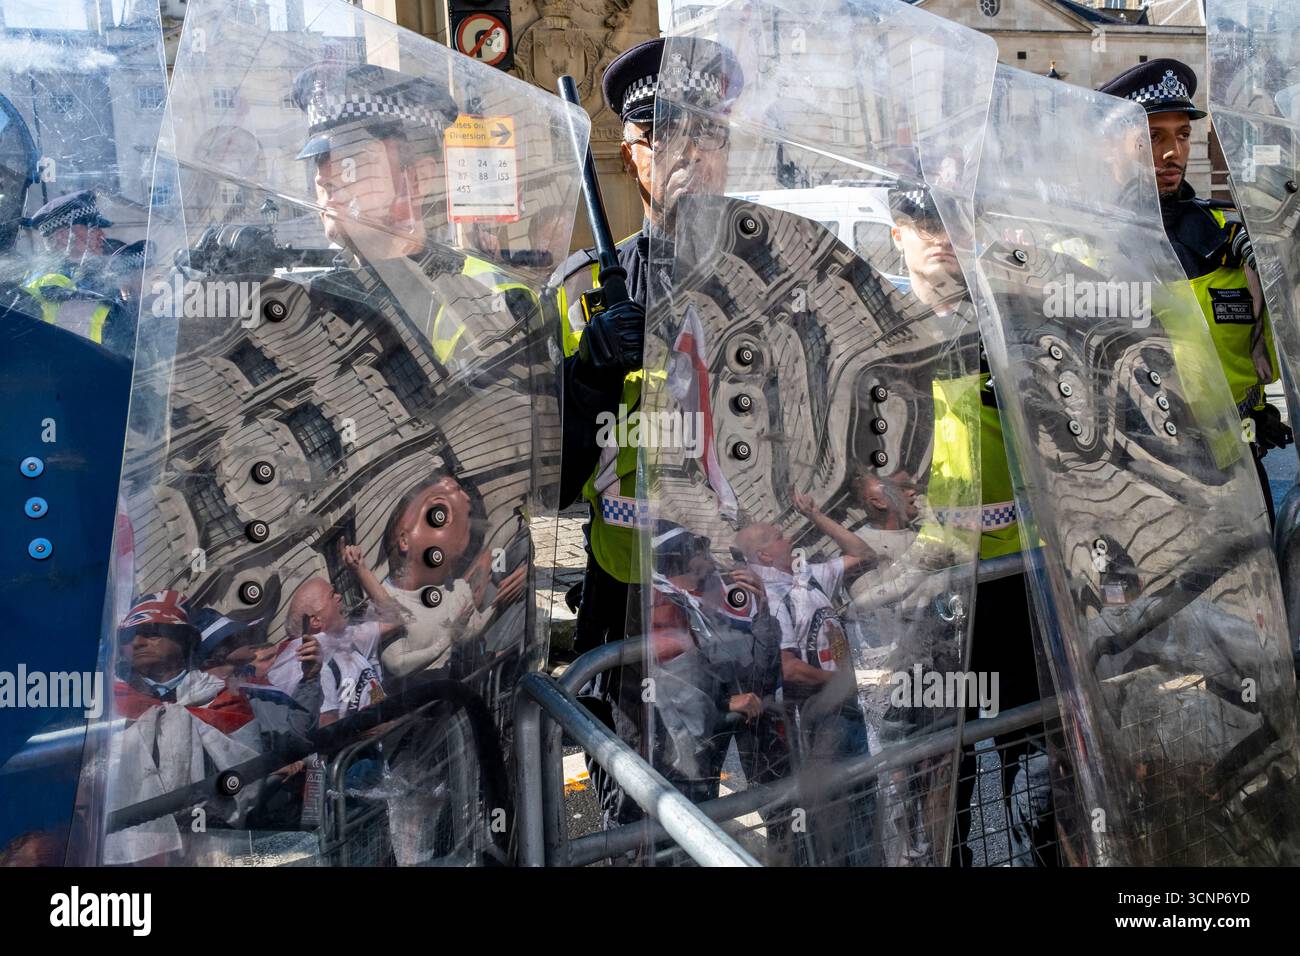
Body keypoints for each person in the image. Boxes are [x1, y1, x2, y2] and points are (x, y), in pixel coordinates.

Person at [545, 34, 744, 831]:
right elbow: (548, 488)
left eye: (712, 133)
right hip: (630, 607)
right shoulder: (579, 292)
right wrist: (588, 373)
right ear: (635, 154)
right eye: (671, 135)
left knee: (808, 806)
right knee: (642, 820)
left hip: (766, 599)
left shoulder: (784, 280)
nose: (695, 152)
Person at [884, 182, 1057, 866]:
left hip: (1018, 588)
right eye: (919, 220)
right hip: (921, 600)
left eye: (950, 220)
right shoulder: (871, 327)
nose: (937, 234)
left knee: (1038, 781)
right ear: (894, 230)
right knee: (926, 789)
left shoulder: (1014, 320)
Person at [1099, 58, 1290, 521]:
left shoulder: (1231, 239)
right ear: (1110, 146)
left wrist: (1278, 266)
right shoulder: (1082, 247)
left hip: (1238, 481)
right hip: (1131, 491)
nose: (1172, 152)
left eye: (1182, 134)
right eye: (1152, 136)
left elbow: (1279, 352)